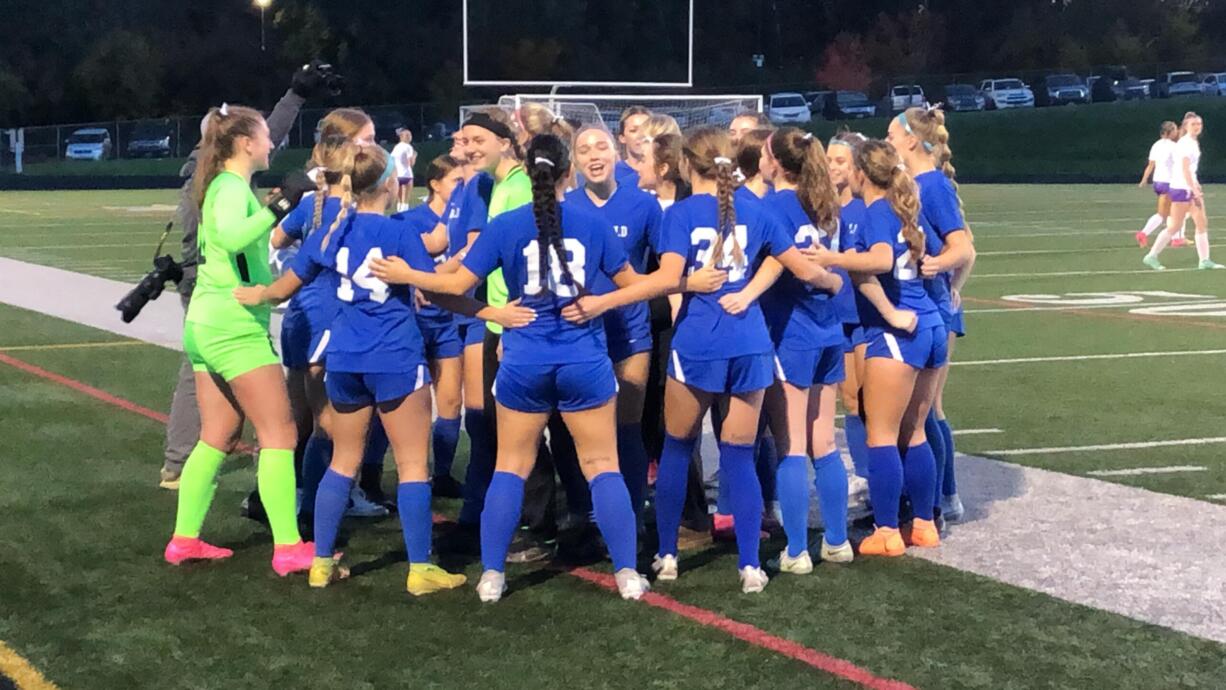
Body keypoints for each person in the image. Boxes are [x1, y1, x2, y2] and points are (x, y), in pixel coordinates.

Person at [235, 144, 531, 593]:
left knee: (342, 459)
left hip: (345, 358)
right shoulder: (397, 234)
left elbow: (283, 288)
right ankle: (419, 569)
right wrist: (492, 313)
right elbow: (436, 293)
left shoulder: (332, 228)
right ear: (390, 183)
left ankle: (320, 561)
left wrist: (255, 294)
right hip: (394, 356)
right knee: (413, 465)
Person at [370, 133, 652, 602]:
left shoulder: (505, 225)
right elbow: (637, 287)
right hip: (583, 358)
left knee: (509, 467)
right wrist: (600, 302)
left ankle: (493, 576)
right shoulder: (593, 224)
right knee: (603, 466)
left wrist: (429, 285)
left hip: (524, 359)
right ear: (568, 174)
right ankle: (626, 573)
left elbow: (453, 285)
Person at [562, 127, 842, 593]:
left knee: (677, 447)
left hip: (700, 343)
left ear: (690, 165)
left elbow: (668, 279)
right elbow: (795, 264)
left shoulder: (686, 212)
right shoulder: (758, 207)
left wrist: (606, 302)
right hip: (750, 344)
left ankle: (667, 554)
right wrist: (827, 284)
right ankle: (751, 564)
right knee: (738, 456)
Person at [162, 103, 318, 575]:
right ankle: (289, 546)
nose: (272, 142)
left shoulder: (222, 185)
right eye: (266, 136)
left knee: (217, 436)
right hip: (233, 327)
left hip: (207, 324)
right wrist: (282, 205)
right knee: (280, 434)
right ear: (247, 143)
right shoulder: (229, 187)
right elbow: (232, 238)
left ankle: (184, 539)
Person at [819, 139, 946, 558]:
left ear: (860, 173)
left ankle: (888, 529)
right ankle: (924, 524)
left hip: (899, 331)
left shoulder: (875, 210)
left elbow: (878, 260)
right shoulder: (905, 206)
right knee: (915, 432)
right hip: (929, 323)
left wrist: (831, 258)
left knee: (882, 435)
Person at [271, 108, 389, 523]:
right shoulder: (344, 205)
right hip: (329, 316)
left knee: (301, 418)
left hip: (300, 314)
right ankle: (316, 505)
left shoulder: (312, 199)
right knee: (329, 423)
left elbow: (276, 238)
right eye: (368, 138)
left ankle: (283, 494)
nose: (376, 145)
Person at [753, 128, 853, 572]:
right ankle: (837, 540)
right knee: (825, 440)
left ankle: (796, 551)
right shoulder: (826, 204)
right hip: (828, 329)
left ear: (773, 161)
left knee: (792, 443)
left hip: (791, 330)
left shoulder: (770, 207)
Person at [565, 126, 664, 518]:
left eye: (601, 147)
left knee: (627, 426)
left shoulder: (643, 205)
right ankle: (585, 510)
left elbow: (664, 267)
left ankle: (632, 509)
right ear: (573, 160)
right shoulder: (566, 205)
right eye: (584, 149)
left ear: (615, 154)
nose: (593, 155)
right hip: (578, 335)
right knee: (584, 430)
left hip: (631, 332)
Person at [888, 107, 977, 525]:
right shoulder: (913, 183)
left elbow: (964, 248)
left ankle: (944, 496)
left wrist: (941, 272)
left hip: (934, 308)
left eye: (891, 135)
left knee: (929, 411)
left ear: (910, 140)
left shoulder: (932, 186)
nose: (887, 142)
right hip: (926, 303)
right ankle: (933, 495)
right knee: (921, 411)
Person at [396, 154, 467, 497]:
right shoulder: (410, 220)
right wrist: (459, 260)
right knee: (409, 405)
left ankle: (442, 474)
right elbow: (409, 272)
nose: (461, 189)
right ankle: (378, 474)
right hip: (413, 324)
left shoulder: (467, 221)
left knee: (452, 401)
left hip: (448, 322)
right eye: (456, 181)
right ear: (435, 185)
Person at [824, 132, 873, 484]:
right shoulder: (821, 207)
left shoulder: (865, 206)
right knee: (850, 401)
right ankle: (862, 473)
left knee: (867, 400)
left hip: (864, 315)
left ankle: (875, 474)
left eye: (840, 161)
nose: (832, 167)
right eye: (828, 160)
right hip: (833, 315)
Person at [1144, 112, 1223, 271]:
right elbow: (1184, 169)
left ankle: (1204, 260)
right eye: (1193, 124)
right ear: (1186, 126)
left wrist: (1196, 184)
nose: (1197, 127)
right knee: (1174, 226)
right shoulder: (1186, 144)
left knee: (1201, 223)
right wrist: (1193, 189)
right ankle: (1151, 256)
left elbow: (1191, 170)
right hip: (1181, 189)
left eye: (1199, 124)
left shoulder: (1192, 142)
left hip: (1187, 187)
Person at [1136, 122, 1181, 248]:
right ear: (1169, 132)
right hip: (1169, 182)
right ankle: (1144, 233)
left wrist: (1144, 179)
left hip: (1158, 182)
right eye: (1175, 130)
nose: (1176, 132)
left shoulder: (1156, 145)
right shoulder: (1173, 146)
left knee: (1172, 211)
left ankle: (1177, 239)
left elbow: (1151, 164)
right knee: (1165, 214)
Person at [616, 106, 652, 186]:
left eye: (646, 129)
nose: (641, 135)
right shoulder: (613, 174)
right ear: (622, 138)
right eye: (634, 130)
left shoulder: (663, 172)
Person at [391, 128, 417, 212]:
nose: (410, 137)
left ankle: (399, 211)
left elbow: (392, 160)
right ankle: (404, 212)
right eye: (408, 135)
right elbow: (411, 163)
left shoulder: (397, 147)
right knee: (405, 199)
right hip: (406, 174)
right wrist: (414, 156)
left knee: (399, 198)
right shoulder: (408, 147)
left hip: (397, 174)